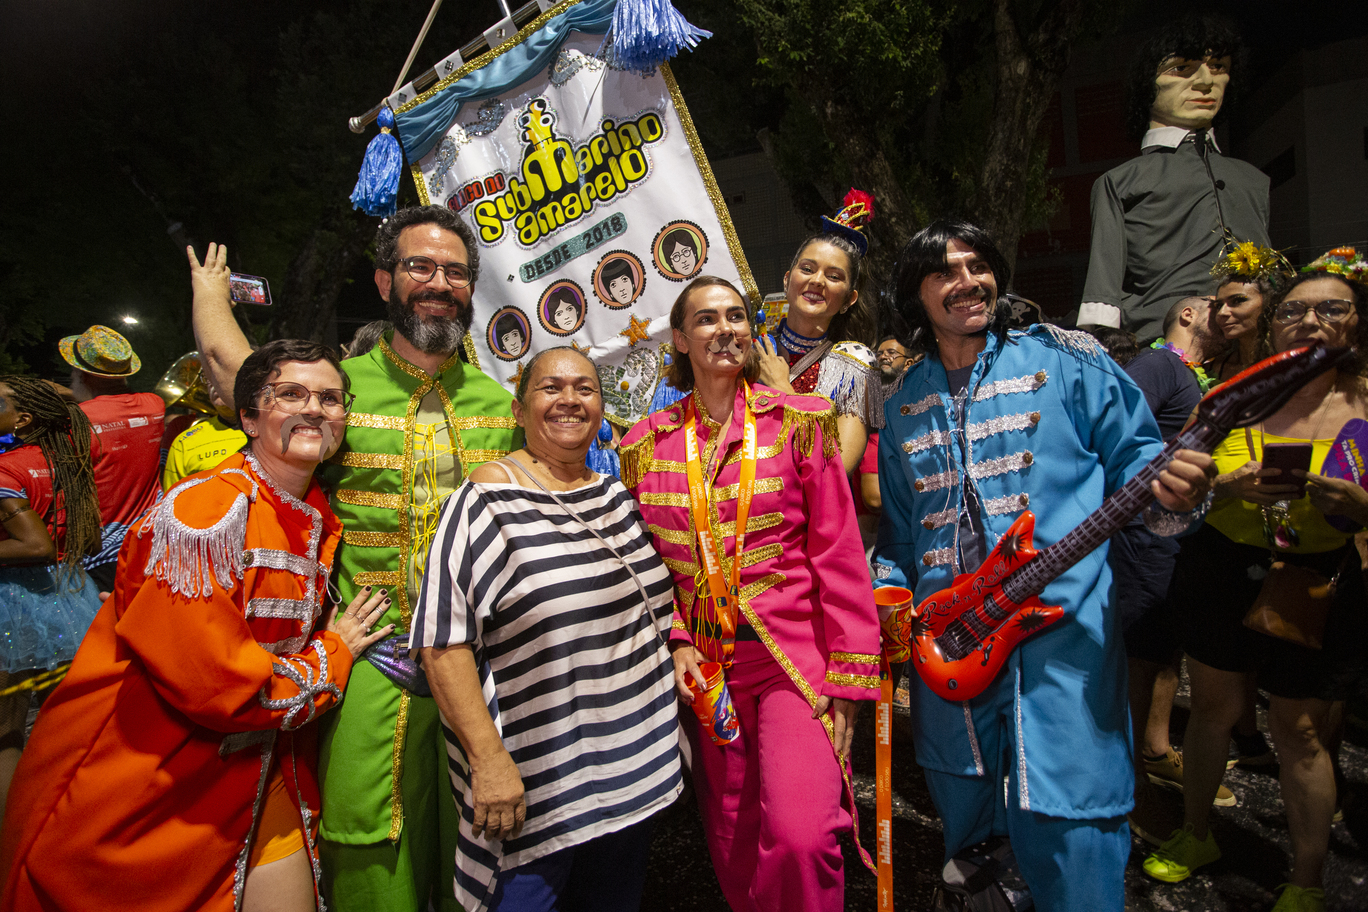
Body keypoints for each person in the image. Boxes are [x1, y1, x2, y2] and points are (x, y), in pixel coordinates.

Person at [874, 220, 1214, 912]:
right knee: (967, 832)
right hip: (951, 654)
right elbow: (902, 543)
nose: (967, 281)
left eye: (977, 265)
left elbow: (1139, 467)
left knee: (1073, 824)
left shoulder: (1069, 358)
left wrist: (1176, 491)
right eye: (944, 271)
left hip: (1059, 641)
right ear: (915, 297)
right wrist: (889, 593)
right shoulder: (904, 402)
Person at [189, 205, 520, 912]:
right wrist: (209, 300)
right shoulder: (333, 389)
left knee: (485, 843)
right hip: (373, 662)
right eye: (419, 267)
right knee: (367, 843)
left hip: (482, 667)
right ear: (383, 280)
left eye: (455, 272)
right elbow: (245, 381)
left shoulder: (501, 401)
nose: (438, 282)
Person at [0, 340, 394, 912]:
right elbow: (215, 685)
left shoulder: (309, 511)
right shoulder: (205, 516)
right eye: (291, 394)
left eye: (330, 398)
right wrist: (332, 655)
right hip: (159, 779)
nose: (315, 408)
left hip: (262, 765)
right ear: (250, 417)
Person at [620, 276, 881, 912]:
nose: (725, 329)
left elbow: (839, 554)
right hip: (706, 671)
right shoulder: (642, 444)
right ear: (680, 339)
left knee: (801, 835)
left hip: (793, 659)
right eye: (706, 320)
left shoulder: (800, 421)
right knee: (734, 839)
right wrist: (678, 639)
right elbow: (645, 568)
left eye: (737, 316)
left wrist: (850, 679)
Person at [412, 347, 682, 912]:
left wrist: (677, 649)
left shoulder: (613, 496)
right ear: (519, 407)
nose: (569, 400)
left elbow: (650, 602)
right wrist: (488, 759)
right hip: (537, 790)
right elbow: (442, 642)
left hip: (632, 775)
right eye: (550, 387)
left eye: (585, 388)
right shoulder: (486, 500)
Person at [1142, 250, 1368, 912]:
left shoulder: (1363, 403)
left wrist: (1346, 501)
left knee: (1298, 729)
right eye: (1294, 310)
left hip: (1315, 579)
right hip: (1220, 567)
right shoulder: (1231, 396)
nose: (1309, 321)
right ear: (1273, 330)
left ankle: (1305, 878)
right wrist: (1217, 483)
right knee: (1213, 709)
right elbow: (1169, 489)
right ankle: (1197, 834)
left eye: (1331, 309)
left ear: (1356, 326)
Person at [1082, 322, 1236, 845]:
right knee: (1140, 651)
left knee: (1164, 643)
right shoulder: (1158, 365)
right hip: (1142, 528)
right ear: (1189, 318)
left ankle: (1152, 747)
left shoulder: (1199, 373)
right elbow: (1118, 441)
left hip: (1177, 530)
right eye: (1216, 304)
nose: (1225, 311)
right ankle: (1127, 783)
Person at [1080, 16, 1270, 343]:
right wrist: (1105, 353)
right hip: (1163, 346)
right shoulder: (1120, 182)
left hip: (1254, 348)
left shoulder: (1254, 181)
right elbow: (1102, 290)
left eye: (1218, 67)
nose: (1204, 81)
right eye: (1182, 68)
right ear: (1147, 84)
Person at [0, 377, 103, 813]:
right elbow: (90, 539)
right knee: (66, 730)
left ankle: (12, 840)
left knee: (5, 731)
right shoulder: (68, 461)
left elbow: (34, 544)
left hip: (15, 605)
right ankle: (66, 824)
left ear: (22, 419)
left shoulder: (7, 469)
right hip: (70, 598)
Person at [755, 188, 883, 475]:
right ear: (788, 281)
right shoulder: (752, 351)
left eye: (834, 276)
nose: (817, 281)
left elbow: (837, 469)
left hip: (807, 516)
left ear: (849, 299)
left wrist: (782, 392)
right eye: (808, 269)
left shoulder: (854, 366)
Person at [60, 324, 166, 589]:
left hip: (101, 552)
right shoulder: (154, 405)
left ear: (82, 374)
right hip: (152, 540)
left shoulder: (78, 418)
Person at [162, 376, 248, 490]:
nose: (214, 386)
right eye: (208, 380)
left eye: (221, 377)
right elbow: (172, 502)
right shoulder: (184, 442)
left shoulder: (273, 430)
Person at [1152, 295, 1220, 392]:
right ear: (1188, 315)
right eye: (1218, 307)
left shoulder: (1203, 377)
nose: (1223, 314)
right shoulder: (1157, 363)